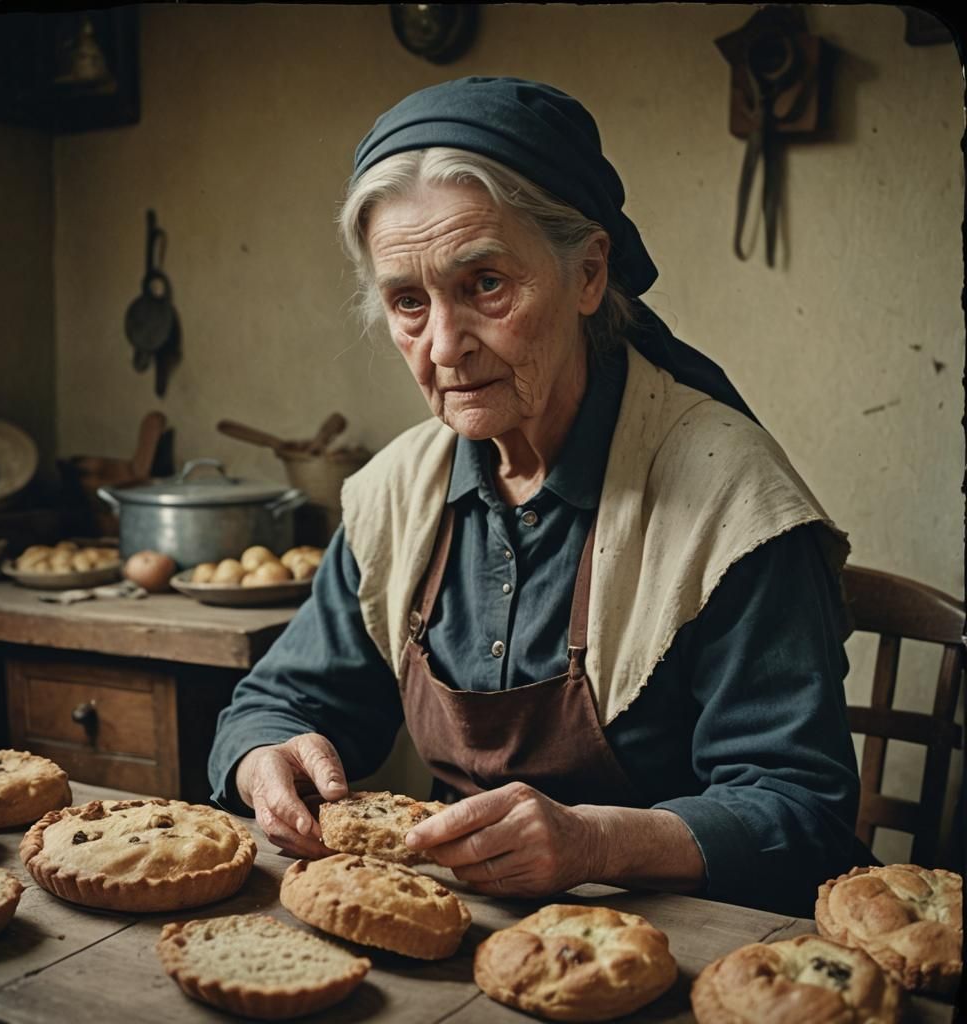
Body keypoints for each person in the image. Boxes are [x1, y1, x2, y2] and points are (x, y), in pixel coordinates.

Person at [209, 76, 865, 917]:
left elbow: (802, 813)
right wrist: (264, 756)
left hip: (682, 942)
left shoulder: (729, 498)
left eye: (485, 284)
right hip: (463, 931)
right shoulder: (396, 492)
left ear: (589, 273)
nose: (444, 347)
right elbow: (276, 702)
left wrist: (596, 842)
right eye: (408, 302)